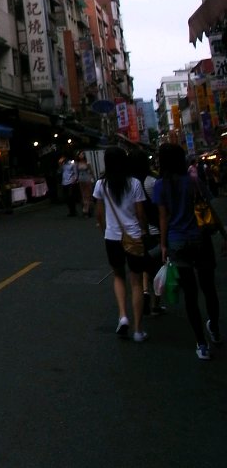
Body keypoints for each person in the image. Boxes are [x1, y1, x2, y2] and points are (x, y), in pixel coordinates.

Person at [154, 142, 227, 360]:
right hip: (200, 237)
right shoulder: (193, 180)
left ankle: (201, 344)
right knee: (209, 287)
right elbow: (210, 207)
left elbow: (163, 217)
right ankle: (214, 328)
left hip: (177, 241)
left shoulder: (160, 185)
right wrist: (223, 234)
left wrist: (163, 245)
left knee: (190, 294)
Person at [93, 146, 148, 343]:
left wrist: (105, 231)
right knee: (136, 282)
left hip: (112, 237)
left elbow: (99, 215)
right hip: (133, 236)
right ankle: (138, 330)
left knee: (118, 276)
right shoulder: (134, 183)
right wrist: (143, 231)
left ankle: (123, 315)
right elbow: (140, 213)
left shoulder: (101, 184)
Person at [127, 150, 164, 317]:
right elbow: (160, 208)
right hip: (154, 229)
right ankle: (156, 304)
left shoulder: (128, 183)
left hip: (135, 230)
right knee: (157, 267)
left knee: (142, 264)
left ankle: (144, 291)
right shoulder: (152, 181)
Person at [76, 151, 95, 217]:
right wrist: (77, 179)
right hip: (81, 180)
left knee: (88, 194)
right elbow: (76, 173)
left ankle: (87, 209)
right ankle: (86, 208)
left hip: (87, 179)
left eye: (82, 154)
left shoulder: (87, 163)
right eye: (80, 154)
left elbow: (91, 171)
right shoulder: (77, 164)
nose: (81, 155)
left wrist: (93, 178)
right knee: (83, 194)